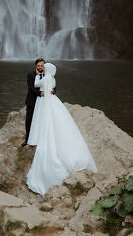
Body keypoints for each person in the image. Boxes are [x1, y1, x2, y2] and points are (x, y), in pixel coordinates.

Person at [26, 62, 97, 195]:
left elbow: (36, 85)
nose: (43, 69)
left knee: (46, 121)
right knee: (58, 120)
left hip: (45, 102)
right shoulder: (52, 78)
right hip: (53, 101)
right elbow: (51, 89)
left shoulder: (45, 78)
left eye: (44, 68)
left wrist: (37, 76)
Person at [22, 58, 54, 147]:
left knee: (42, 121)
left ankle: (41, 139)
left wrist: (52, 91)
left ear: (44, 66)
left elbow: (54, 87)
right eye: (38, 65)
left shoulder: (48, 74)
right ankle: (27, 139)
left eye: (42, 65)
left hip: (44, 103)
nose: (40, 67)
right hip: (32, 101)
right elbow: (31, 89)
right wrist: (41, 93)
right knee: (29, 121)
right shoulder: (31, 75)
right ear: (36, 66)